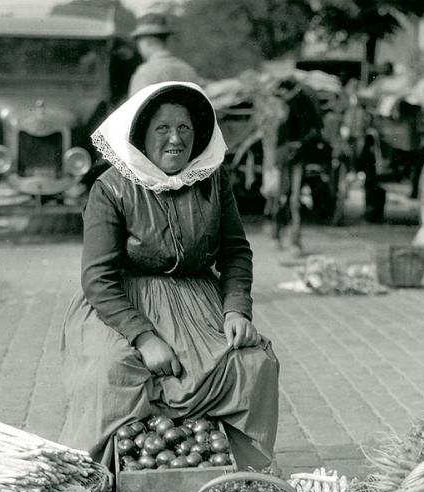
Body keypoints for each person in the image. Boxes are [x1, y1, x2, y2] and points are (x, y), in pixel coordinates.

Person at [59, 81, 280, 470]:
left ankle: (235, 474)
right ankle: (102, 483)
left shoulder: (211, 180)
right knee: (111, 370)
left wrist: (236, 311)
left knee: (252, 364)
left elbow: (235, 251)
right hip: (125, 304)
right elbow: (98, 279)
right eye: (162, 129)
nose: (175, 139)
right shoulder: (111, 188)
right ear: (142, 136)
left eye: (185, 129)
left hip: (196, 298)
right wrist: (144, 337)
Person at [128, 13, 200, 96]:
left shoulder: (144, 73)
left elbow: (136, 108)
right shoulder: (189, 70)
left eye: (139, 42)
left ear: (148, 42)